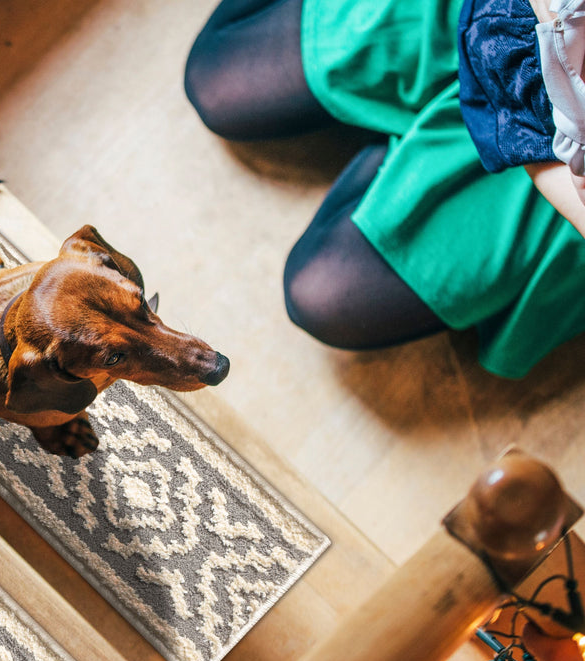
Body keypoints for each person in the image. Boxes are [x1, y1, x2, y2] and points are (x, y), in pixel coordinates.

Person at [183, 0, 585, 379]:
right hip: (513, 20)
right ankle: (406, 119)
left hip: (550, 151)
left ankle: (407, 134)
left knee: (326, 291)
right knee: (219, 81)